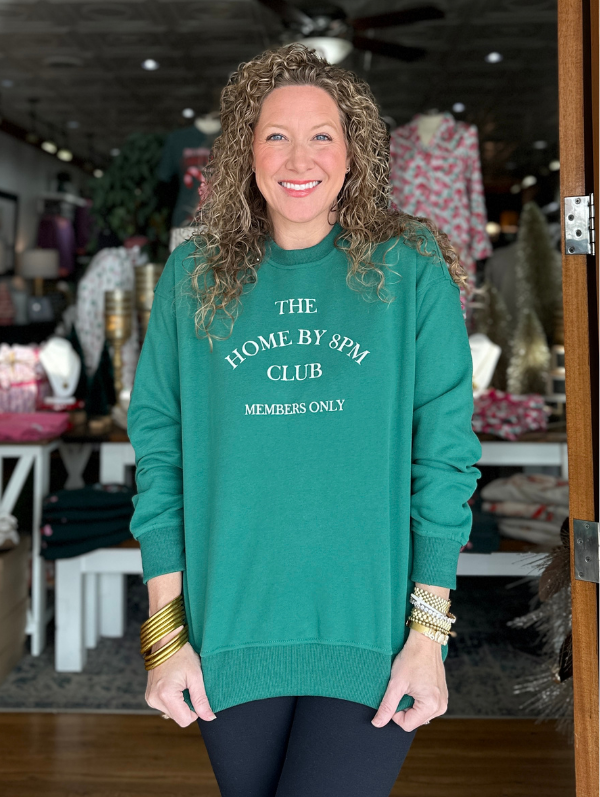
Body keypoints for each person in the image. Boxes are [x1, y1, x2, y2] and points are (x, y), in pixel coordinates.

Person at [127, 43, 482, 797]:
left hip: (371, 639)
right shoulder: (193, 277)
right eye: (276, 135)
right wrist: (166, 638)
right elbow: (161, 455)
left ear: (353, 154)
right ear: (245, 153)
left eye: (323, 134)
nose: (301, 157)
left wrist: (429, 638)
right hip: (229, 635)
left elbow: (444, 457)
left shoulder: (410, 264)